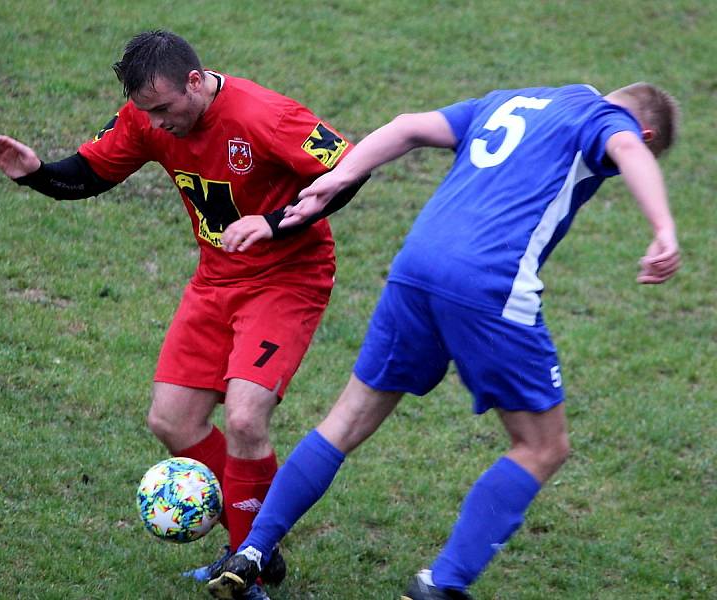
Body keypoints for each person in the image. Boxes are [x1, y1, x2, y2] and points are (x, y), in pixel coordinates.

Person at [207, 82, 681, 600]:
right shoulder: (605, 121)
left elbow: (409, 124)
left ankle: (252, 550)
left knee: (345, 420)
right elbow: (630, 148)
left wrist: (337, 177)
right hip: (489, 283)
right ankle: (442, 584)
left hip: (416, 267)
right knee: (544, 445)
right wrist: (663, 229)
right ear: (644, 128)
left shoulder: (512, 100)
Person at [0, 30, 364, 600]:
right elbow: (87, 175)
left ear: (195, 80)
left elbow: (350, 169)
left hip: (287, 278)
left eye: (163, 110)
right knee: (173, 422)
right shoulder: (147, 117)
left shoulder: (264, 115)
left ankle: (249, 557)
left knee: (246, 419)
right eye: (145, 112)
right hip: (216, 280)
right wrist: (36, 172)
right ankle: (258, 546)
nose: (156, 125)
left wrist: (274, 222)